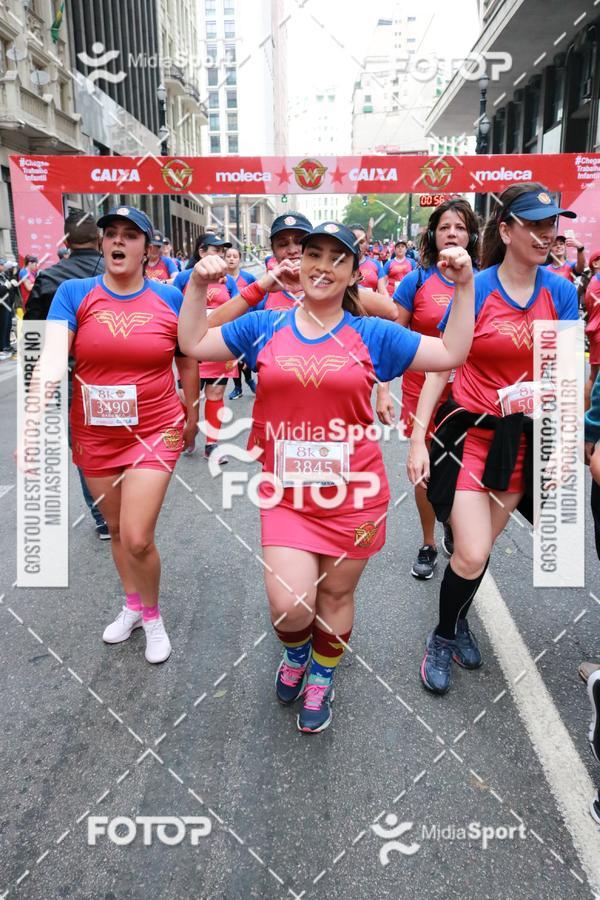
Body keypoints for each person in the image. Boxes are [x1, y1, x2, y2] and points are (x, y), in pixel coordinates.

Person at [178, 221, 475, 734]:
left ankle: (321, 672)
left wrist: (466, 286)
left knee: (335, 598)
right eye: (314, 254)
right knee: (290, 606)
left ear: (355, 273)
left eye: (338, 258)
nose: (324, 265)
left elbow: (450, 353)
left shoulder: (372, 335)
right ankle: (296, 654)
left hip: (353, 497)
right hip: (287, 497)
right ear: (298, 264)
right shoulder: (264, 327)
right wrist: (198, 286)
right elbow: (192, 342)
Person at [409, 184, 578, 695]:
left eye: (553, 225)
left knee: (473, 550)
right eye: (535, 224)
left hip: (521, 442)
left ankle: (457, 618)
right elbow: (441, 365)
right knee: (472, 549)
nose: (547, 234)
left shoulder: (560, 290)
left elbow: (568, 373)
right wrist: (418, 439)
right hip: (469, 436)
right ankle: (441, 637)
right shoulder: (478, 288)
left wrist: (564, 446)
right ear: (506, 231)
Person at [43, 206, 199, 663]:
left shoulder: (170, 297)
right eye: (111, 233)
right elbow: (52, 361)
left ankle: (152, 616)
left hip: (155, 427)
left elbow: (188, 358)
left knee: (137, 536)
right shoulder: (73, 293)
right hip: (94, 433)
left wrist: (191, 414)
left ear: (148, 250)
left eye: (130, 236)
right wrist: (31, 424)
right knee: (114, 529)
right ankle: (131, 606)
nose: (117, 241)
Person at [378, 199, 480, 578]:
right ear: (433, 235)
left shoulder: (483, 280)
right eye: (444, 227)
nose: (452, 233)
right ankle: (428, 541)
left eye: (460, 227)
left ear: (471, 236)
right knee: (423, 469)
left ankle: (454, 521)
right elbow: (393, 336)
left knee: (462, 466)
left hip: (470, 395)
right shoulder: (416, 280)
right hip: (420, 392)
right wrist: (382, 389)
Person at [24, 211, 110, 538]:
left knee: (84, 445)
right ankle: (126, 505)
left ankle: (103, 515)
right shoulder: (120, 271)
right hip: (122, 375)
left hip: (75, 377)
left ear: (65, 242)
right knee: (126, 437)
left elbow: (34, 336)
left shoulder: (49, 278)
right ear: (100, 240)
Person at [174, 233, 237, 461]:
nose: (220, 255)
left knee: (216, 392)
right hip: (189, 348)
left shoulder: (228, 280)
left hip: (217, 346)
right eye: (215, 250)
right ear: (201, 252)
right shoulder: (183, 278)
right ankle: (188, 434)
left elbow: (237, 307)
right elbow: (174, 310)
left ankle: (212, 443)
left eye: (223, 251)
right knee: (185, 396)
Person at [224, 245, 257, 400]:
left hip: (246, 325)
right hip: (229, 325)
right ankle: (238, 387)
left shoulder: (248, 278)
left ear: (239, 260)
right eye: (228, 256)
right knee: (232, 357)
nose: (231, 259)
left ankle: (249, 379)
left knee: (245, 356)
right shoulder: (221, 278)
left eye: (234, 256)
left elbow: (259, 297)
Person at [584, 249, 600, 409]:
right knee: (595, 378)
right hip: (598, 334)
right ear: (596, 263)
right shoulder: (597, 282)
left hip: (596, 333)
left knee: (594, 377)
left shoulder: (594, 282)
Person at [350, 225, 387, 293]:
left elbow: (384, 294)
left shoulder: (375, 264)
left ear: (366, 244)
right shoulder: (339, 265)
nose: (357, 246)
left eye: (361, 242)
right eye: (353, 241)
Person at [0, 258, 16, 357]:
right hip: (2, 305)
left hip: (7, 304)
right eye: (2, 265)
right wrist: (5, 287)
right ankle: (2, 346)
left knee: (7, 326)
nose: (3, 267)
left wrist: (11, 283)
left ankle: (6, 345)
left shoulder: (4, 275)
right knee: (2, 325)